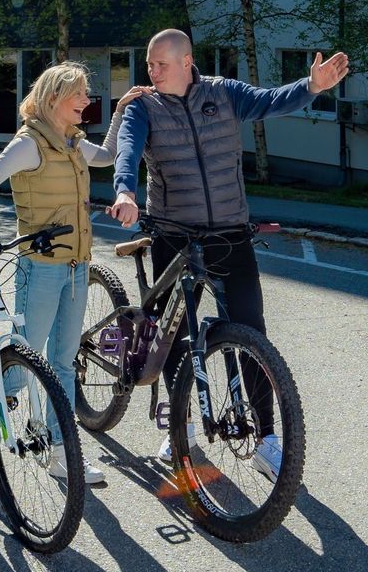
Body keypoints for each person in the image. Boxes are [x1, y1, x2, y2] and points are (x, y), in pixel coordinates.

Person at [107, 29, 350, 481]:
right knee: (172, 333)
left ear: (186, 61)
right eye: (149, 64)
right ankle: (179, 427)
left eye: (159, 63)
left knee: (251, 334)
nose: (151, 72)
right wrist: (125, 191)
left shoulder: (224, 93)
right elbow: (128, 151)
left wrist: (312, 87)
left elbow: (271, 100)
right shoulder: (144, 106)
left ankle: (267, 439)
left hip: (230, 234)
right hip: (174, 234)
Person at [0, 62, 145, 501]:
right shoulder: (30, 145)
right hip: (40, 269)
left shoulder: (74, 143)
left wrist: (122, 112)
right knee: (19, 369)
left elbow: (111, 154)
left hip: (77, 268)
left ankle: (60, 452)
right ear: (56, 99)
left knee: (63, 363)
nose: (86, 103)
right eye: (79, 95)